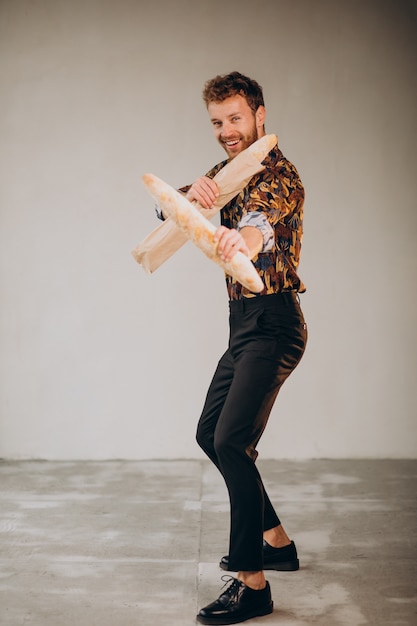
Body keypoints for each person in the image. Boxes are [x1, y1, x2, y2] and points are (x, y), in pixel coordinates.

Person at [157, 71, 307, 625]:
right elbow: (171, 209)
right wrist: (187, 195)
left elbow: (258, 225)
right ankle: (277, 542)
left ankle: (253, 583)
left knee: (231, 440)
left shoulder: (280, 175)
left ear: (260, 115)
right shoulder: (226, 171)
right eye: (218, 122)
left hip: (274, 322)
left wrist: (234, 237)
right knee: (209, 433)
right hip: (243, 325)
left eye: (235, 119)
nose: (226, 131)